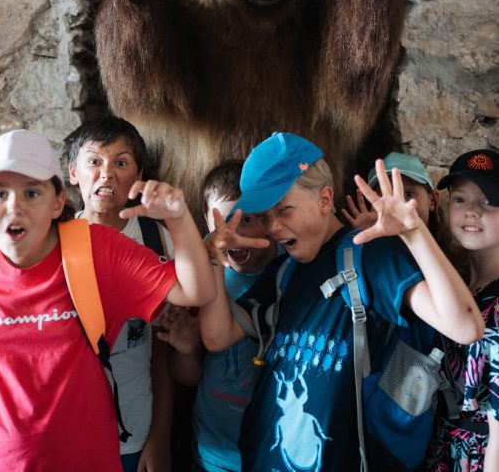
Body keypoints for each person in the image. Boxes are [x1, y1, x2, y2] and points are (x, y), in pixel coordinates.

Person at [0, 129, 215, 472]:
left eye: (32, 192)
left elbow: (195, 291)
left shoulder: (95, 250)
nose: (14, 207)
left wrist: (178, 217)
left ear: (57, 201)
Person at [198, 132, 484, 472]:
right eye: (265, 214)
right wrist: (213, 260)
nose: (273, 227)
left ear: (324, 199)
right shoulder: (285, 271)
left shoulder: (370, 254)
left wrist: (413, 232)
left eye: (284, 209)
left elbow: (466, 327)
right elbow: (217, 336)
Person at [64, 116, 174, 472]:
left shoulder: (157, 239)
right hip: (68, 431)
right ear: (73, 172)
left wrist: (159, 435)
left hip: (135, 428)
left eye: (121, 162)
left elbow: (163, 349)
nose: (106, 174)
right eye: (94, 161)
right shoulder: (57, 243)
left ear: (137, 176)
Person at [158, 161, 277, 472]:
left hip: (274, 452)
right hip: (212, 452)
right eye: (222, 222)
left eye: (247, 220)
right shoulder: (197, 281)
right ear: (206, 222)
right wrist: (186, 351)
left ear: (269, 218)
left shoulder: (288, 275)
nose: (232, 235)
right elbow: (189, 376)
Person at [427, 149, 499, 472]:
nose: (471, 211)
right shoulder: (457, 288)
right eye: (459, 199)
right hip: (440, 451)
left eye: (487, 200)